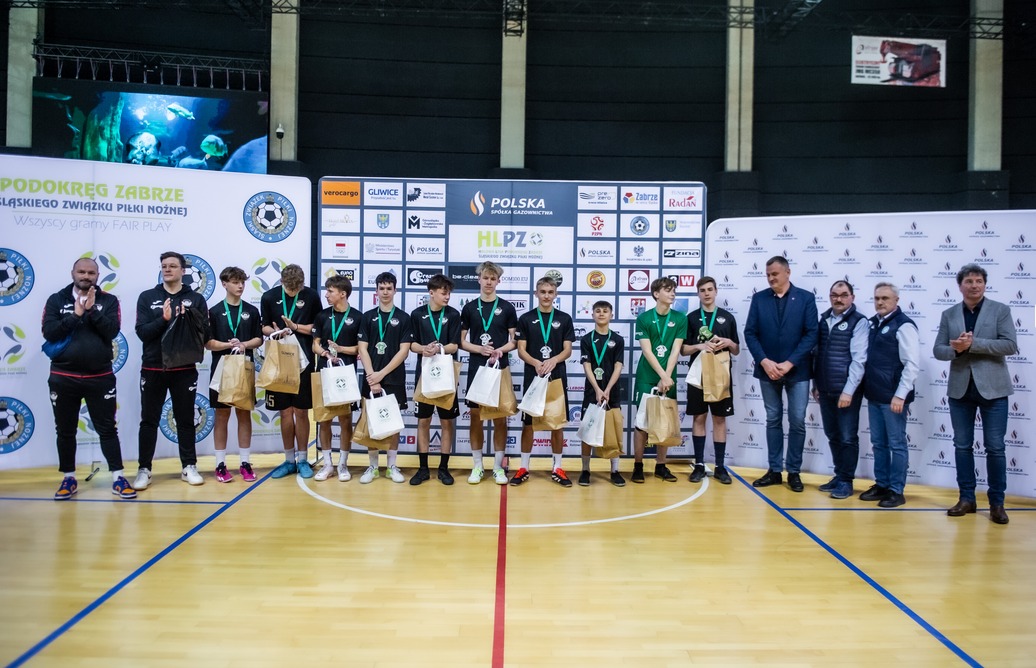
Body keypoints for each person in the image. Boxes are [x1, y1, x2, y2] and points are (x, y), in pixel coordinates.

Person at [42, 257, 135, 500]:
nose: (86, 276)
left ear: (97, 275)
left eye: (91, 273)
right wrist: (75, 315)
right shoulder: (56, 300)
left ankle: (118, 477)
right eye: (81, 272)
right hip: (63, 377)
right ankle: (68, 478)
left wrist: (92, 310)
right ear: (73, 273)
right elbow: (49, 332)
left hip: (100, 377)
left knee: (107, 429)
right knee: (65, 430)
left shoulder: (109, 301)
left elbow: (112, 332)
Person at [934, 264, 1018, 525]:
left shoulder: (1000, 310)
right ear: (960, 286)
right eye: (969, 281)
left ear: (985, 284)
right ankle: (966, 498)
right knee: (962, 446)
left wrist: (974, 344)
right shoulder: (949, 314)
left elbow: (1010, 345)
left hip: (994, 389)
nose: (974, 285)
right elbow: (938, 350)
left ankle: (997, 503)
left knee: (995, 447)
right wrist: (956, 350)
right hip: (960, 389)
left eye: (979, 281)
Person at [133, 251, 210, 489]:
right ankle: (144, 469)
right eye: (164, 266)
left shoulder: (195, 299)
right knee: (149, 420)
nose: (167, 269)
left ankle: (189, 466)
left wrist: (189, 320)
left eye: (173, 266)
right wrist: (164, 320)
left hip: (184, 369)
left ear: (183, 271)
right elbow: (142, 332)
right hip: (153, 367)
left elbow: (205, 335)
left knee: (185, 420)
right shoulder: (148, 297)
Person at [744, 256, 818, 493]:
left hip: (798, 371)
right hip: (767, 370)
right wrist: (764, 361)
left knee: (797, 420)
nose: (770, 278)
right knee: (773, 419)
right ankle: (775, 470)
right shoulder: (759, 298)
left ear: (788, 272)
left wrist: (789, 363)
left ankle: (794, 471)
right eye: (768, 274)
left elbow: (811, 334)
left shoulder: (806, 298)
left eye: (774, 274)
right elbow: (750, 333)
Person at [510, 276, 576, 486]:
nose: (546, 296)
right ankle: (523, 467)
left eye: (550, 292)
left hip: (556, 376)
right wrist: (536, 362)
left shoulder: (564, 318)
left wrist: (553, 360)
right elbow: (521, 349)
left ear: (556, 294)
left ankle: (558, 468)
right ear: (536, 293)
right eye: (543, 292)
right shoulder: (526, 318)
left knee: (556, 424)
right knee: (528, 424)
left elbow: (567, 350)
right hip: (534, 377)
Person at [860, 282, 920, 508]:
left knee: (896, 443)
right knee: (878, 443)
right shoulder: (872, 323)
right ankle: (882, 484)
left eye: (885, 298)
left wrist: (900, 395)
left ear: (896, 300)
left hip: (894, 397)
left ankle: (896, 490)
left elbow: (911, 364)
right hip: (875, 394)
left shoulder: (904, 325)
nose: (880, 302)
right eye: (877, 298)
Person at [460, 261, 518, 485]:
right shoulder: (469, 308)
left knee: (500, 418)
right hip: (477, 368)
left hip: (499, 367)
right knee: (475, 417)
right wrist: (480, 349)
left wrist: (499, 350)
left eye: (493, 279)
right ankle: (477, 466)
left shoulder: (507, 308)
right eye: (485, 278)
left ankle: (497, 467)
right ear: (479, 279)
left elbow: (514, 341)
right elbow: (461, 341)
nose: (489, 282)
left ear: (498, 281)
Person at [260, 263, 321, 479]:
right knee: (285, 412)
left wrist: (295, 327)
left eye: (297, 289)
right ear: (281, 282)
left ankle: (303, 459)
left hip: (303, 361)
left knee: (301, 412)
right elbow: (264, 326)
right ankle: (288, 460)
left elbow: (317, 327)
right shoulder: (269, 297)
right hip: (278, 360)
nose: (293, 292)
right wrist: (276, 332)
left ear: (303, 284)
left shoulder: (311, 296)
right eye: (289, 289)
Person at [811, 280, 868, 500]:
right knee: (833, 435)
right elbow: (817, 354)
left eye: (844, 295)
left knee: (847, 437)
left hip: (846, 391)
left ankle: (846, 481)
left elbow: (859, 360)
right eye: (834, 295)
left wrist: (848, 391)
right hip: (825, 388)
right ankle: (839, 474)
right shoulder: (824, 319)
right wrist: (816, 384)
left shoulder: (859, 321)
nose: (839, 299)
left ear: (852, 297)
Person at [205, 267, 263, 483]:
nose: (240, 286)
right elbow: (208, 343)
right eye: (235, 282)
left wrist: (244, 344)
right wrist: (228, 345)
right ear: (224, 284)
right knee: (221, 415)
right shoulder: (214, 311)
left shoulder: (251, 311)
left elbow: (259, 339)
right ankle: (220, 464)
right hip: (221, 369)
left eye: (242, 282)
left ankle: (245, 462)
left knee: (244, 413)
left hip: (244, 367)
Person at [681, 276, 740, 485]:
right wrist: (700, 346)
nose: (706, 293)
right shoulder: (691, 318)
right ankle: (699, 464)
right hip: (698, 376)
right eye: (702, 290)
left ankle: (720, 467)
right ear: (698, 293)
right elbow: (683, 350)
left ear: (716, 291)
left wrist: (728, 342)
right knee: (699, 418)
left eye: (709, 289)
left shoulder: (727, 317)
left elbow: (736, 349)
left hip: (720, 375)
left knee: (719, 419)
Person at [356, 271, 413, 483]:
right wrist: (372, 376)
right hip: (371, 378)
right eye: (382, 288)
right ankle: (372, 467)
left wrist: (381, 374)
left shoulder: (404, 318)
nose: (385, 292)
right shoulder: (367, 317)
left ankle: (391, 466)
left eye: (389, 288)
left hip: (393, 377)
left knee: (393, 423)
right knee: (372, 421)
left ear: (395, 290)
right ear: (376, 291)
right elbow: (362, 348)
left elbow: (404, 351)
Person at [632, 276, 687, 483]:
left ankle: (661, 466)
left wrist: (667, 377)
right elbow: (647, 351)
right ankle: (638, 466)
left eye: (674, 290)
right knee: (641, 423)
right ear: (656, 294)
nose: (672, 293)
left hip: (669, 378)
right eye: (668, 289)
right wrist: (662, 376)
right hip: (647, 377)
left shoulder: (680, 318)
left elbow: (675, 350)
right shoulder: (644, 318)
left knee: (665, 420)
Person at [409, 274, 462, 486]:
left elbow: (455, 345)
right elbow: (411, 344)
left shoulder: (454, 314)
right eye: (443, 292)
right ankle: (423, 469)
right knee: (424, 421)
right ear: (431, 292)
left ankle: (443, 468)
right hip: (424, 375)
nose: (447, 296)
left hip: (446, 375)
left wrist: (438, 348)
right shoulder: (417, 314)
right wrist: (424, 349)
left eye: (449, 293)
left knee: (447, 422)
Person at [312, 274, 361, 482]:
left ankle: (343, 464)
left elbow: (360, 348)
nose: (326, 295)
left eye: (330, 291)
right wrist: (325, 353)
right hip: (324, 371)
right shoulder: (322, 315)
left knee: (345, 420)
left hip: (345, 374)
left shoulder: (357, 317)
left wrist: (341, 349)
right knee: (324, 419)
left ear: (343, 294)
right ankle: (327, 464)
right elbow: (315, 344)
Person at [577, 300, 626, 487]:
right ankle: (585, 470)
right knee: (587, 430)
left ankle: (615, 471)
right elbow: (587, 366)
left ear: (611, 315)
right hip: (592, 391)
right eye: (598, 311)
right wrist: (598, 390)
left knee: (614, 429)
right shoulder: (586, 339)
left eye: (605, 311)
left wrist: (607, 390)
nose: (601, 314)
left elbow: (618, 366)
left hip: (612, 392)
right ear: (592, 315)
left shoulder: (618, 340)